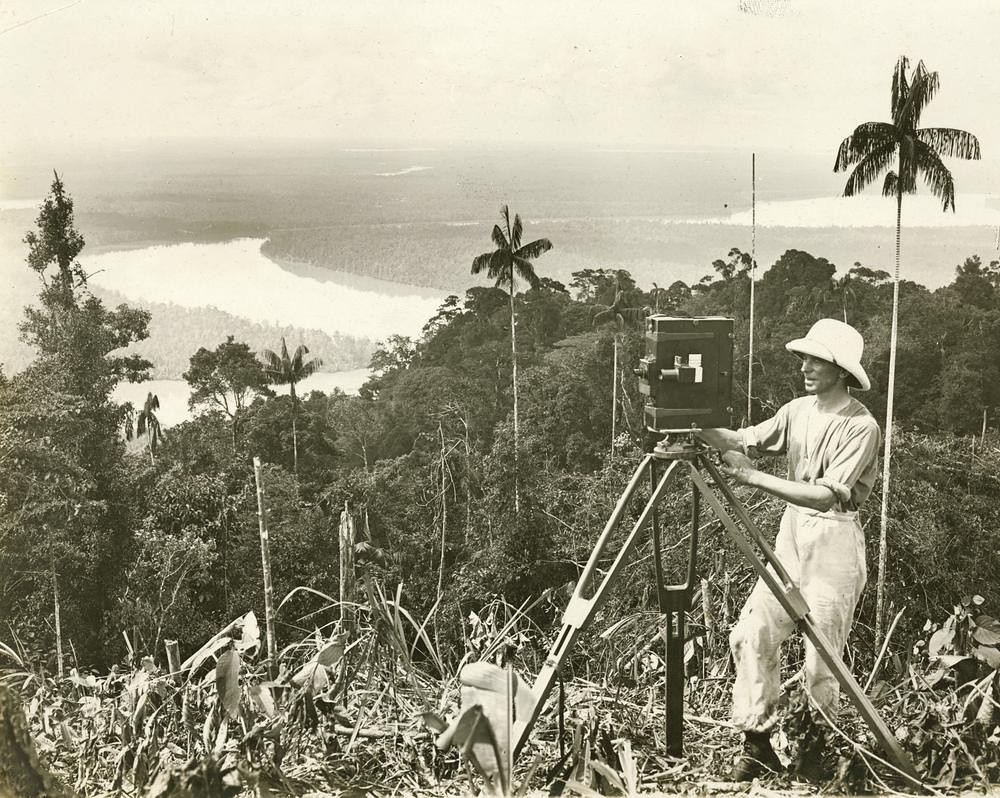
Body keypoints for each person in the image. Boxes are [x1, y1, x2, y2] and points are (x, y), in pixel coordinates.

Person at [697, 318, 880, 782]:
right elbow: (742, 440)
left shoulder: (861, 426)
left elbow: (825, 495)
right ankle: (757, 743)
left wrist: (754, 477)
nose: (805, 367)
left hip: (833, 537)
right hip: (793, 533)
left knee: (822, 652)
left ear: (841, 371)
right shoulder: (798, 410)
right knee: (752, 631)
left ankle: (812, 750)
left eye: (816, 360)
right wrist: (691, 424)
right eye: (804, 358)